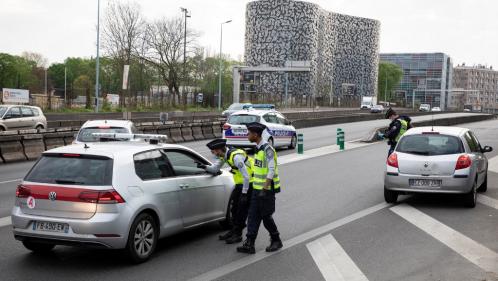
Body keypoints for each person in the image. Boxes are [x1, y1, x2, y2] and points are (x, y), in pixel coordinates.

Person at [237, 122, 282, 254]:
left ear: (255, 135)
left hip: (266, 191)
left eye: (249, 133)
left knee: (266, 217)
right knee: (252, 216)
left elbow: (271, 170)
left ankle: (276, 240)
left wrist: (264, 189)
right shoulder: (258, 149)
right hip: (257, 190)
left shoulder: (268, 149)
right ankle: (249, 244)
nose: (247, 135)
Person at [198, 138, 253, 244]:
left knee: (241, 211)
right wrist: (204, 167)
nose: (212, 154)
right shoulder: (224, 156)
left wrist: (245, 193)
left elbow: (246, 176)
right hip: (240, 184)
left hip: (249, 184)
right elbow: (215, 169)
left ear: (218, 150)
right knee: (234, 209)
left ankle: (238, 235)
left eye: (213, 151)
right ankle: (233, 230)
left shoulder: (236, 157)